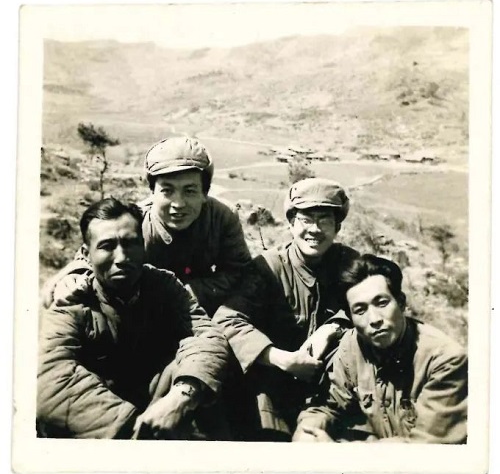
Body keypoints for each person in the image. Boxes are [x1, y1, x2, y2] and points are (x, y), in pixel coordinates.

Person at [37, 198, 230, 439]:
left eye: (130, 243)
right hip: (105, 428)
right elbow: (51, 378)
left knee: (203, 373)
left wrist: (182, 396)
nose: (122, 257)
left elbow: (207, 336)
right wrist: (135, 427)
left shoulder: (164, 286)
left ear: (144, 246)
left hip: (161, 408)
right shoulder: (72, 300)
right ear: (86, 254)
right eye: (107, 246)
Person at [213, 177, 358, 441]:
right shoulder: (267, 267)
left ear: (337, 227)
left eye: (324, 220)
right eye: (306, 220)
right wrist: (283, 360)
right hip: (272, 389)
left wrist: (334, 327)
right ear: (291, 224)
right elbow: (227, 319)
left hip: (332, 388)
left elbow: (378, 305)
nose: (315, 230)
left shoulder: (349, 263)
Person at [43, 136, 252, 317]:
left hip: (199, 309)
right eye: (167, 191)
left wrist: (186, 292)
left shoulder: (221, 217)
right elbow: (88, 259)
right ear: (152, 192)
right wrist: (71, 278)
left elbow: (240, 271)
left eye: (190, 191)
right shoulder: (134, 220)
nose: (178, 204)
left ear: (204, 193)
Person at [293, 253, 467, 444]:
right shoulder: (351, 346)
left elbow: (424, 447)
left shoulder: (446, 360)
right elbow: (329, 405)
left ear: (401, 302)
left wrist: (341, 452)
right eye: (360, 310)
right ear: (351, 319)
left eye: (382, 303)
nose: (374, 319)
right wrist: (309, 429)